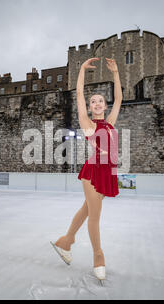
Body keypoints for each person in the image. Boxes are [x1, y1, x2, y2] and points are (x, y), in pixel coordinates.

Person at [51, 57, 122, 281]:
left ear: (105, 105)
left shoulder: (110, 123)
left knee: (86, 212)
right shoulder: (88, 123)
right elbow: (79, 94)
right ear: (90, 108)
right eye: (94, 102)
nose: (97, 103)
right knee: (94, 216)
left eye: (101, 100)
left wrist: (116, 74)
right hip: (93, 172)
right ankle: (98, 257)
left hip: (107, 171)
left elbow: (119, 98)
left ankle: (65, 241)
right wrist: (81, 69)